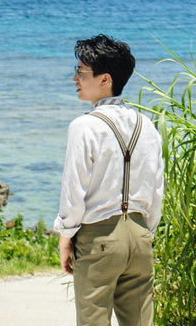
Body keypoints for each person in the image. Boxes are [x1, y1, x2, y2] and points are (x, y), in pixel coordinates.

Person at [54, 35, 165, 326]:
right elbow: (156, 190)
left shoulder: (84, 126)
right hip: (140, 235)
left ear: (105, 79)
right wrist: (143, 231)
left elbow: (74, 189)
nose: (74, 78)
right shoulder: (147, 125)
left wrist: (66, 236)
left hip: (99, 237)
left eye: (80, 72)